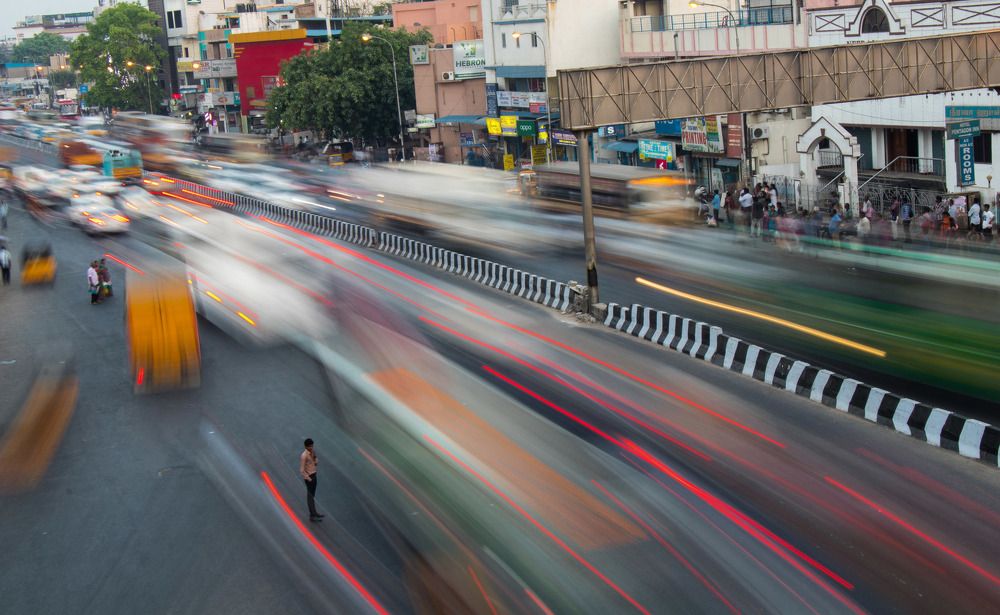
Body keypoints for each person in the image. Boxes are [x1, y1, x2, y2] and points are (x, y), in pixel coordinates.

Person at [300, 438, 324, 522]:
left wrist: (315, 458)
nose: (311, 447)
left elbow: (316, 463)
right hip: (310, 477)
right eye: (310, 446)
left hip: (314, 475)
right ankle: (313, 515)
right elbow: (302, 470)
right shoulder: (304, 456)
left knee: (312, 496)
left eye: (312, 446)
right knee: (310, 497)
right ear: (305, 446)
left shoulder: (312, 453)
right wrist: (309, 479)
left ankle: (313, 514)